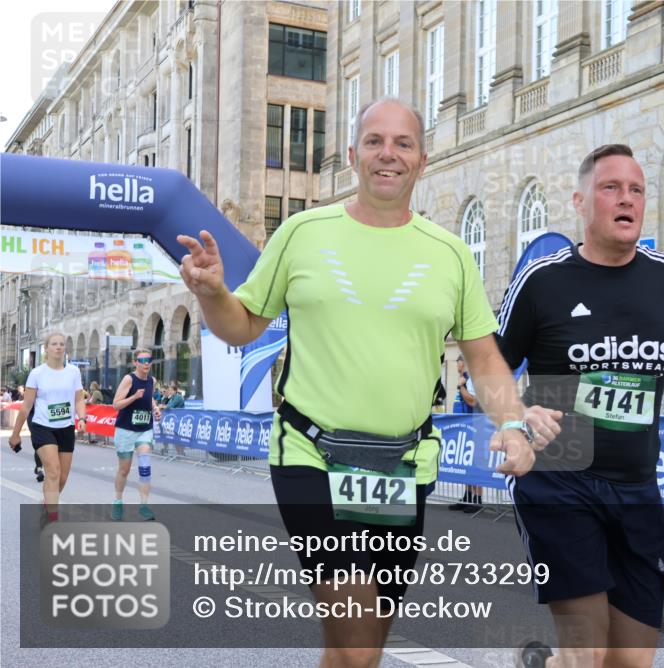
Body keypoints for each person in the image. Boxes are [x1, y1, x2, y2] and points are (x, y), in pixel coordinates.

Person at [177, 97, 561, 668]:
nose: (389, 154)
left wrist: (508, 422)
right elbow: (243, 327)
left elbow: (483, 357)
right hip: (312, 454)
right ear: (353, 155)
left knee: (362, 642)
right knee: (356, 637)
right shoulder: (303, 231)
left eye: (403, 143)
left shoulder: (451, 254)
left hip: (402, 466)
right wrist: (212, 293)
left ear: (422, 160)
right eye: (376, 142)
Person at [496, 144, 664, 668]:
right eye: (611, 188)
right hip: (559, 477)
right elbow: (487, 369)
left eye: (636, 190)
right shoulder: (544, 280)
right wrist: (516, 416)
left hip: (635, 485)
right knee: (588, 653)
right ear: (580, 202)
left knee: (630, 662)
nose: (626, 199)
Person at [7, 332, 86, 522]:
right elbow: (26, 406)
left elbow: (78, 399)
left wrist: (82, 418)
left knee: (62, 478)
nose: (58, 347)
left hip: (66, 428)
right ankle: (52, 519)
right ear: (47, 348)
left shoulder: (73, 372)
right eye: (54, 344)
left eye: (61, 344)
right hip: (42, 426)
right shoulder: (37, 374)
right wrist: (15, 434)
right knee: (52, 471)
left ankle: (47, 504)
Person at [110, 348, 162, 521]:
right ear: (135, 363)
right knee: (124, 470)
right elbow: (116, 405)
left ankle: (144, 506)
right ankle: (118, 501)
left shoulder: (152, 380)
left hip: (144, 430)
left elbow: (149, 398)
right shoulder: (129, 379)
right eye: (142, 360)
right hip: (126, 430)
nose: (146, 363)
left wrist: (155, 409)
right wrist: (133, 397)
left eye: (149, 360)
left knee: (145, 466)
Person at [449, 354, 485, 513]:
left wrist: (461, 387)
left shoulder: (470, 379)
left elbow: (474, 401)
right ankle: (468, 496)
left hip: (474, 427)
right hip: (464, 428)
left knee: (475, 463)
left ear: (464, 363)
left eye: (458, 362)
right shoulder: (463, 378)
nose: (457, 365)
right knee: (466, 463)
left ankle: (477, 499)